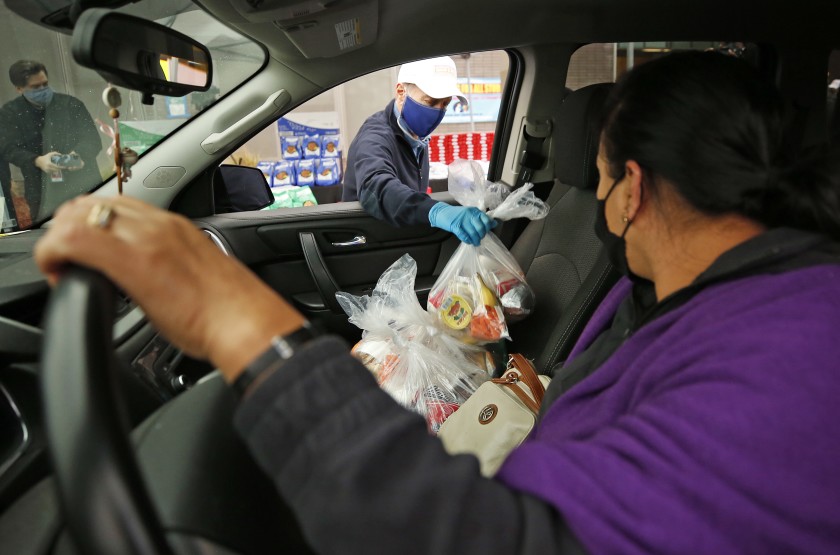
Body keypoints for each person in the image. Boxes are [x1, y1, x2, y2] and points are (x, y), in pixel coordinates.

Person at [35, 51, 840, 554]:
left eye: (597, 176)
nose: (594, 199)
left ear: (631, 189)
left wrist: (234, 319)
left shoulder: (799, 352)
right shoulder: (693, 294)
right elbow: (380, 191)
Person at [341, 56, 496, 245]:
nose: (438, 112)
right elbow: (376, 187)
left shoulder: (414, 135)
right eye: (430, 102)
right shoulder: (375, 136)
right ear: (401, 92)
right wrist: (437, 211)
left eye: (445, 104)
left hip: (400, 238)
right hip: (368, 242)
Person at [0, 60, 101, 224]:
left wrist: (77, 156)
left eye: (45, 84)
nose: (43, 90)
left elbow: (92, 139)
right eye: (35, 87)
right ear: (19, 89)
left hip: (84, 184)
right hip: (41, 191)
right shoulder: (9, 113)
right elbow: (7, 148)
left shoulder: (71, 104)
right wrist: (37, 160)